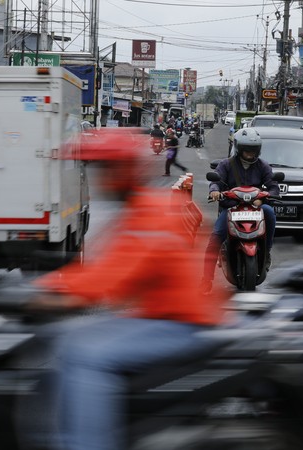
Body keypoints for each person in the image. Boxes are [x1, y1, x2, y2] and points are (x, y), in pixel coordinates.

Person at [32, 128, 225, 450]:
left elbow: (111, 280)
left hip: (182, 325)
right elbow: (105, 266)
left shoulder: (152, 214)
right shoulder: (142, 209)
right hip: (156, 318)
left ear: (123, 171)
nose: (101, 179)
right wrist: (51, 285)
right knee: (66, 338)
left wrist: (47, 295)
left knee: (85, 355)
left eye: (106, 170)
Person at [201, 129, 279, 294]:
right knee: (215, 237)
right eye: (247, 149)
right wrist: (215, 191)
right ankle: (206, 280)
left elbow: (273, 187)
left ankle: (267, 250)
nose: (250, 153)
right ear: (238, 148)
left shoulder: (263, 166)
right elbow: (216, 182)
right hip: (231, 208)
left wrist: (264, 198)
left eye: (254, 150)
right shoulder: (226, 164)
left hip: (257, 207)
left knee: (270, 213)